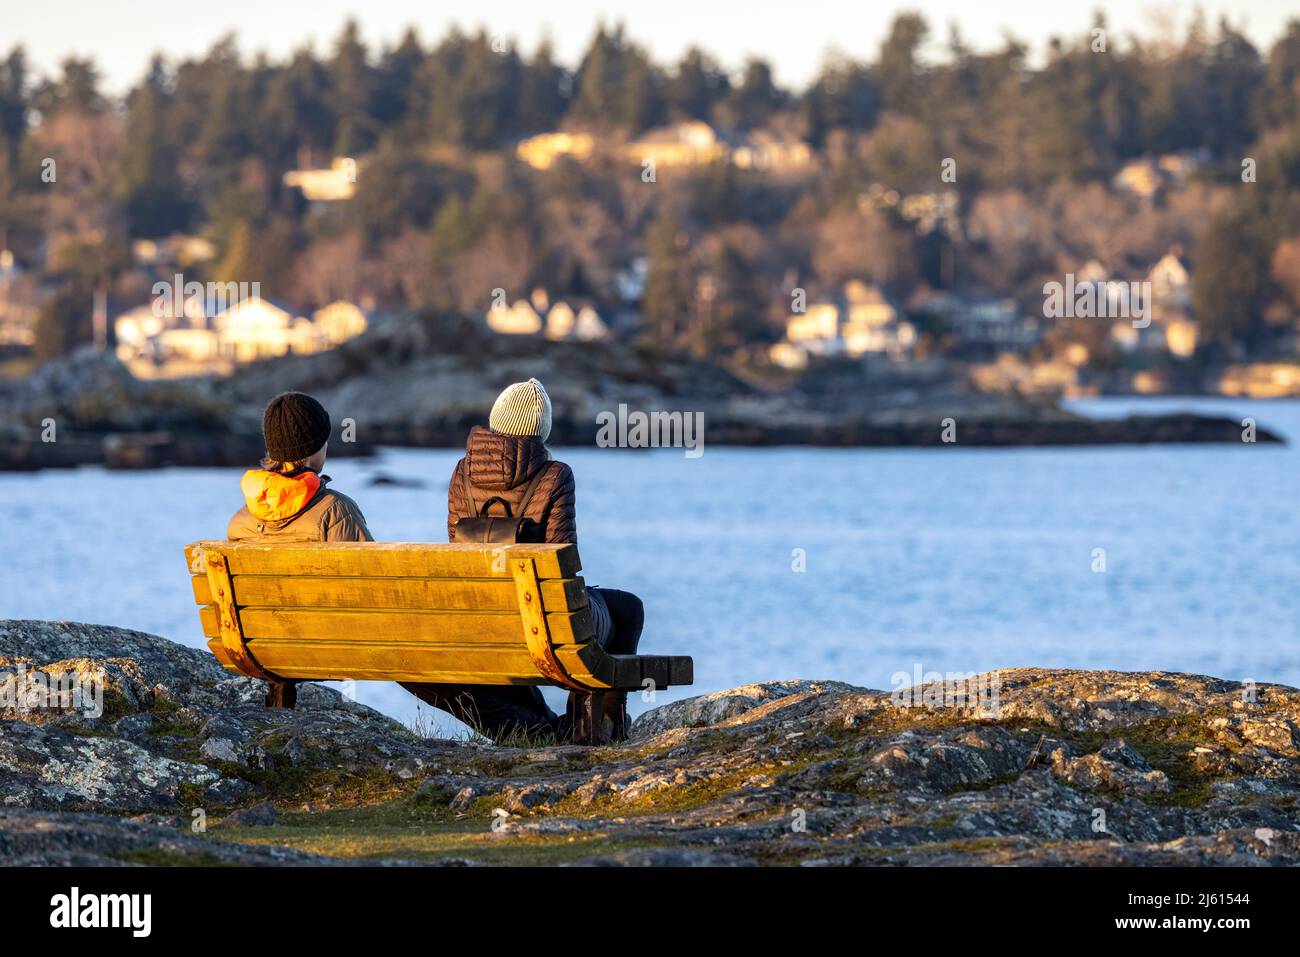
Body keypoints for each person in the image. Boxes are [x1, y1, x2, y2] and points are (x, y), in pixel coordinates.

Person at [402, 378, 644, 741]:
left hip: (481, 617)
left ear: (495, 419)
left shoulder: (461, 472)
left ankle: (549, 729)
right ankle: (601, 725)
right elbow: (563, 556)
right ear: (541, 431)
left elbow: (458, 549)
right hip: (544, 620)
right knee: (627, 608)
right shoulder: (555, 474)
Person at [228, 391, 372, 543]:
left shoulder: (240, 523)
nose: (326, 445)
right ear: (312, 450)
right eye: (323, 440)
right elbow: (371, 566)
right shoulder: (336, 513)